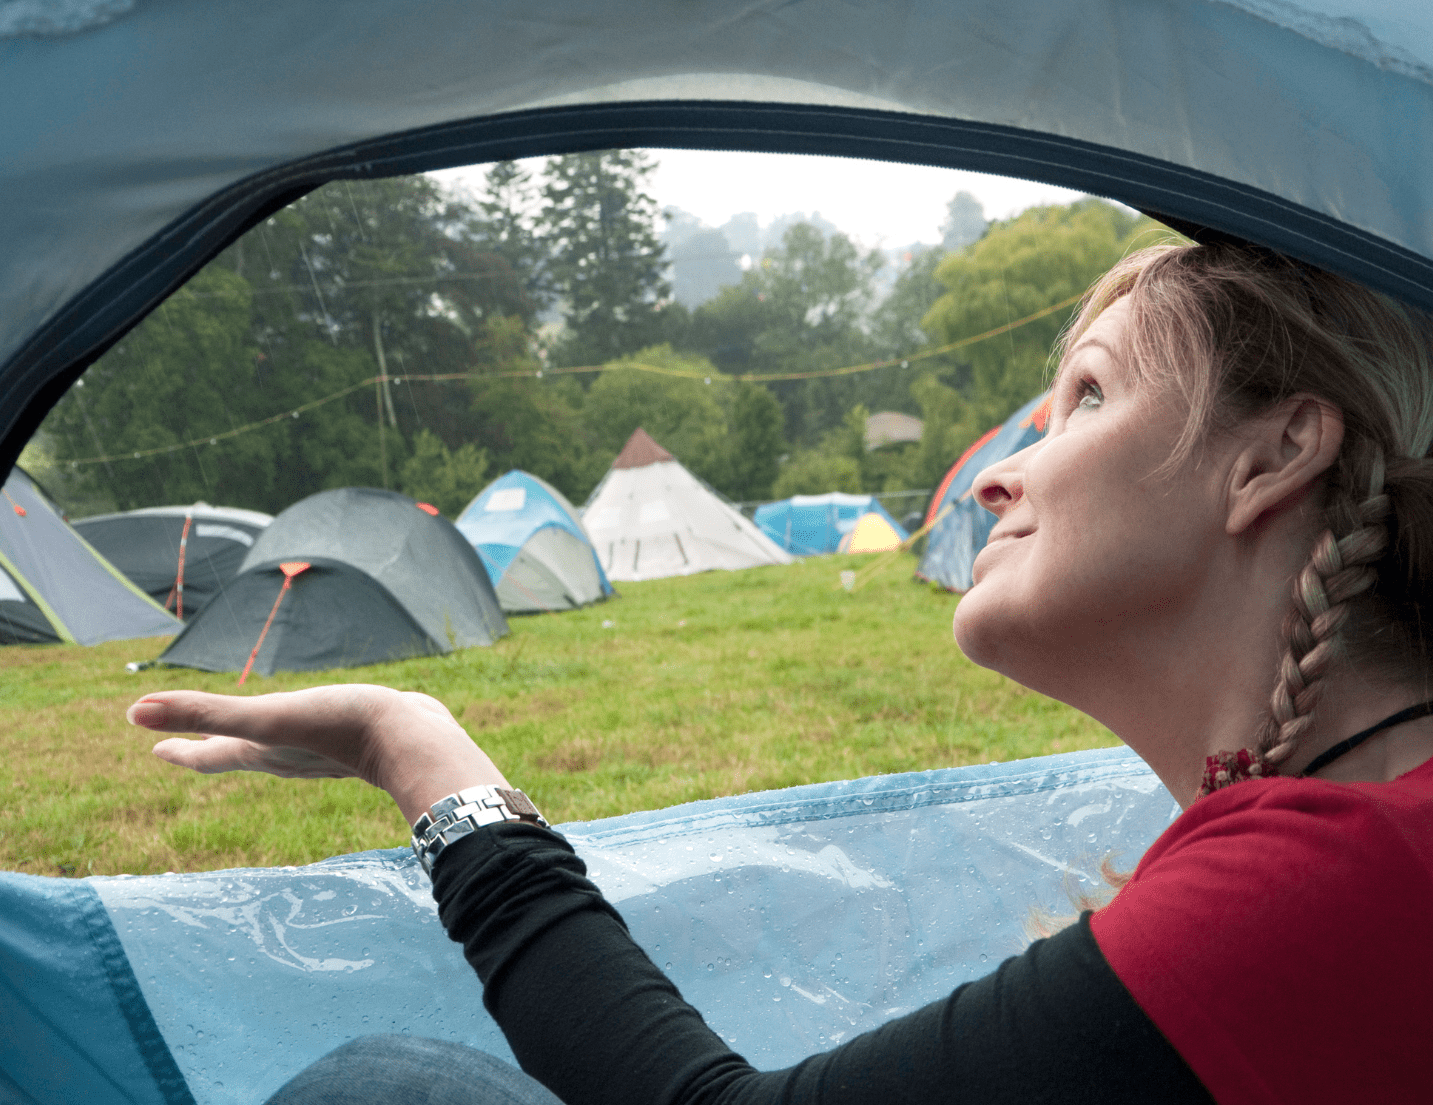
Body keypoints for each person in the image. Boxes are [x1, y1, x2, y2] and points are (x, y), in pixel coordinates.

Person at [128, 241, 1433, 1104]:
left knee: (387, 1092)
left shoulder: (1344, 880)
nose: (998, 474)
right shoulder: (1357, 833)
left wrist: (412, 751)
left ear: (1272, 457)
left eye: (1086, 397)